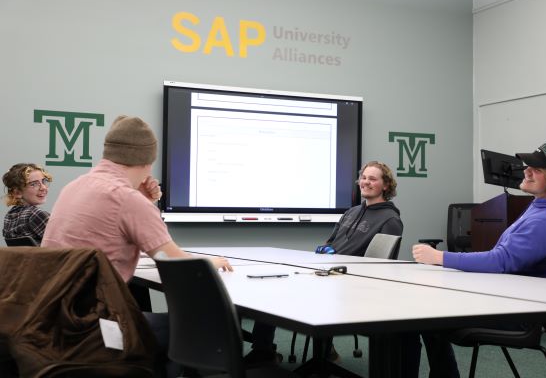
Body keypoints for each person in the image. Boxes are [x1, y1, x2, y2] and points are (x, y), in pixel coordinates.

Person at [41, 115, 233, 377]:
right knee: (202, 328)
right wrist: (212, 261)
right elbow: (178, 263)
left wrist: (141, 200)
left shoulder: (75, 186)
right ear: (147, 161)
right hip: (96, 329)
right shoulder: (126, 199)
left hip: (57, 320)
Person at [412, 141, 546, 378]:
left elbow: (500, 261)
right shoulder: (544, 207)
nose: (526, 170)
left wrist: (439, 257)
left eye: (537, 169)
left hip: (516, 315)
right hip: (507, 299)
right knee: (421, 310)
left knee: (415, 315)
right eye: (529, 165)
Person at [247, 161, 416, 372]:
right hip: (326, 273)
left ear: (386, 185)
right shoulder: (351, 212)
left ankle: (324, 354)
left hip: (351, 282)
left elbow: (381, 265)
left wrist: (339, 260)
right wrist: (326, 250)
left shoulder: (390, 219)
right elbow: (331, 242)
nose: (366, 182)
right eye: (364, 177)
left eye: (373, 179)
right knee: (272, 286)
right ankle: (263, 351)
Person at [3, 163, 53, 244]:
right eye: (33, 184)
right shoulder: (35, 214)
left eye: (44, 181)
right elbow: (64, 243)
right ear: (17, 193)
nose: (43, 188)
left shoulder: (9, 216)